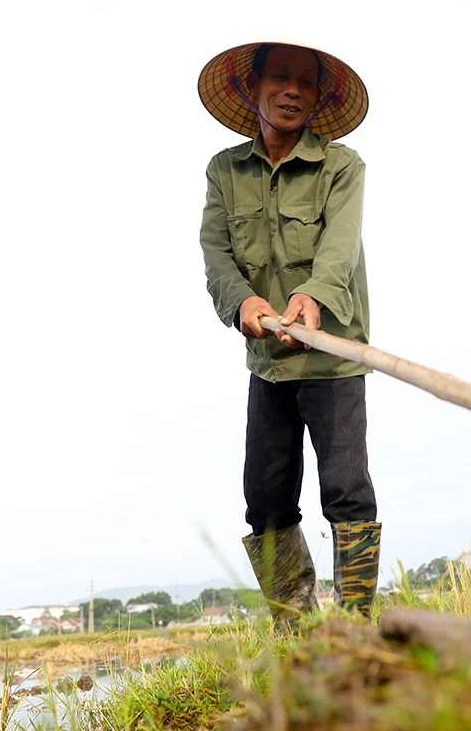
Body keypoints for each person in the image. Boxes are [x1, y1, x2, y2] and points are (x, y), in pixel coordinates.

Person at [197, 40, 381, 624]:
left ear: (320, 96)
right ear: (252, 89)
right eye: (280, 77)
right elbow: (216, 252)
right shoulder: (226, 170)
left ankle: (355, 630)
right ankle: (295, 632)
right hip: (268, 363)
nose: (292, 90)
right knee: (266, 499)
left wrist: (313, 296)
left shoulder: (341, 167)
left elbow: (339, 247)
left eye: (306, 81)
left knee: (347, 492)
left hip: (333, 358)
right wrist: (243, 300)